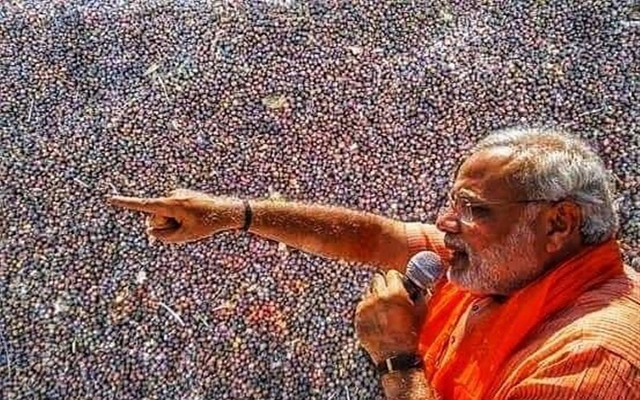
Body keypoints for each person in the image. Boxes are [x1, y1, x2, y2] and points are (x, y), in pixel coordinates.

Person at [108, 128, 640, 400]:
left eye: (473, 209)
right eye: (452, 202)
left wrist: (397, 361)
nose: (446, 222)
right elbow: (373, 237)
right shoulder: (505, 262)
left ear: (559, 223)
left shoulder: (598, 359)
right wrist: (234, 214)